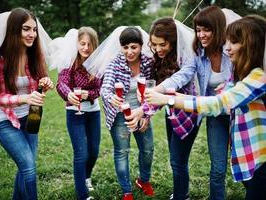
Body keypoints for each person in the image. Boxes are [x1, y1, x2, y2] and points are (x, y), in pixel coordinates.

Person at [145, 15, 266, 200]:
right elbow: (209, 94)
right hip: (253, 160)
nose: (228, 48)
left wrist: (168, 100)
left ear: (249, 45)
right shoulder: (243, 76)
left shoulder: (259, 78)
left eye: (233, 42)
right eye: (228, 42)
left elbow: (219, 103)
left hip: (261, 161)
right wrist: (172, 95)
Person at [0, 7, 54, 200]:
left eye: (34, 29)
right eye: (26, 29)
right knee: (28, 167)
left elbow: (39, 82)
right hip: (3, 120)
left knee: (26, 165)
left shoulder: (34, 55)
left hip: (32, 116)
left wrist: (45, 83)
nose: (32, 34)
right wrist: (23, 98)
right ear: (14, 30)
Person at [97, 27, 154, 200]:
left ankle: (143, 180)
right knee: (122, 151)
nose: (129, 52)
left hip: (141, 111)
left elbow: (153, 88)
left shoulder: (148, 63)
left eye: (134, 47)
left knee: (148, 149)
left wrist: (147, 114)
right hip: (120, 114)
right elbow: (105, 87)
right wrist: (111, 96)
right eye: (125, 47)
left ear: (141, 46)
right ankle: (127, 191)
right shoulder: (115, 64)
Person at [148, 17, 199, 200]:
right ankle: (182, 193)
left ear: (173, 41)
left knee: (178, 161)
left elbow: (178, 80)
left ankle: (180, 196)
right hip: (172, 113)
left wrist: (155, 93)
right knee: (176, 159)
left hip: (188, 114)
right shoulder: (162, 58)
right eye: (154, 44)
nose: (157, 49)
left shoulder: (186, 59)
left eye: (162, 44)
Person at [55, 27, 101, 200]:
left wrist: (88, 94)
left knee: (94, 151)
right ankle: (82, 194)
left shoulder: (98, 63)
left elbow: (101, 88)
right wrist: (69, 94)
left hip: (93, 112)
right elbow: (61, 83)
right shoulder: (70, 62)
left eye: (90, 44)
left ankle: (86, 177)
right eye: (82, 43)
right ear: (77, 44)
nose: (86, 48)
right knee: (81, 153)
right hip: (74, 113)